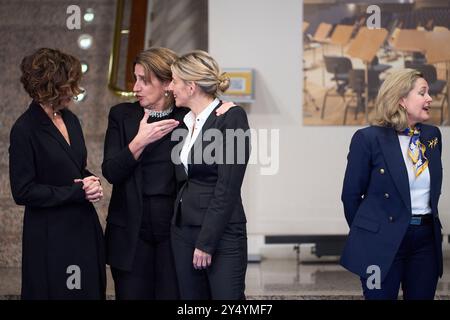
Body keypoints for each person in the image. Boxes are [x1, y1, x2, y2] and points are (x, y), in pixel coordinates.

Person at [102, 47, 234, 299]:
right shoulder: (122, 115)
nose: (135, 87)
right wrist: (139, 141)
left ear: (167, 84)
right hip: (131, 231)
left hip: (174, 230)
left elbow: (212, 169)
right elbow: (111, 172)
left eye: (144, 80)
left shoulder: (187, 117)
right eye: (135, 78)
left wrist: (226, 109)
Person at [9, 48, 105, 299]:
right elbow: (22, 191)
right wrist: (76, 191)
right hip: (50, 235)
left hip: (82, 226)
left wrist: (90, 179)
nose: (75, 90)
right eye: (70, 84)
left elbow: (73, 167)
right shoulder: (24, 129)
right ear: (53, 85)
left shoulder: (71, 119)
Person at [340, 68, 443, 300]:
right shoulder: (368, 139)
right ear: (401, 100)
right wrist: (369, 235)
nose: (430, 98)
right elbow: (350, 196)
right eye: (423, 93)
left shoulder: (432, 136)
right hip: (381, 241)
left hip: (425, 240)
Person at [168, 50, 251, 300]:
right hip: (183, 229)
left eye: (173, 81)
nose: (169, 87)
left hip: (221, 232)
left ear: (191, 86)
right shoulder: (185, 120)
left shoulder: (232, 117)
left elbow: (227, 186)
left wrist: (206, 241)